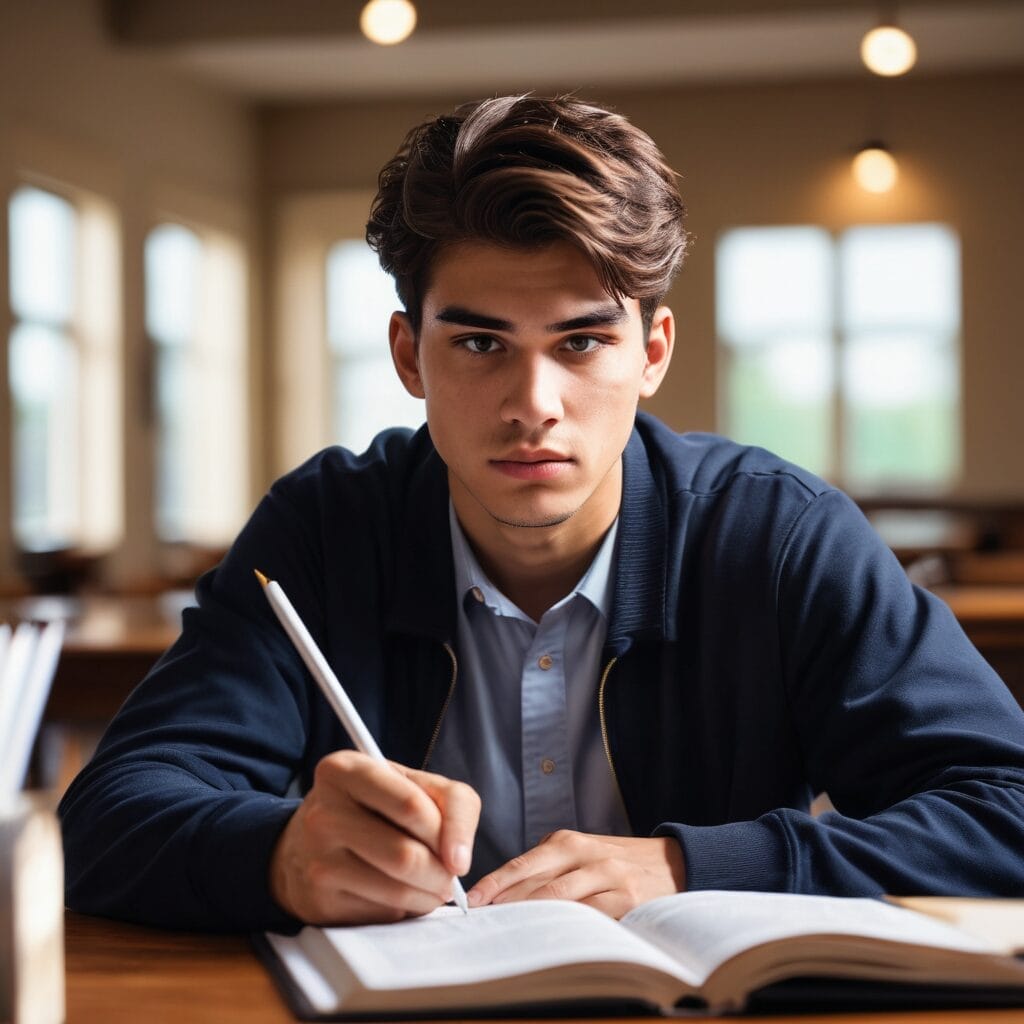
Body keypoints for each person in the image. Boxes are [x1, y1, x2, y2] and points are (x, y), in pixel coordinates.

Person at [60, 94, 1024, 933]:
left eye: (582, 341)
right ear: (409, 357)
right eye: (480, 343)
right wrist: (279, 854)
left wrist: (691, 868)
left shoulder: (778, 536)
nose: (533, 404)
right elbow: (109, 816)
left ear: (652, 353)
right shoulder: (325, 526)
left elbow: (1006, 809)